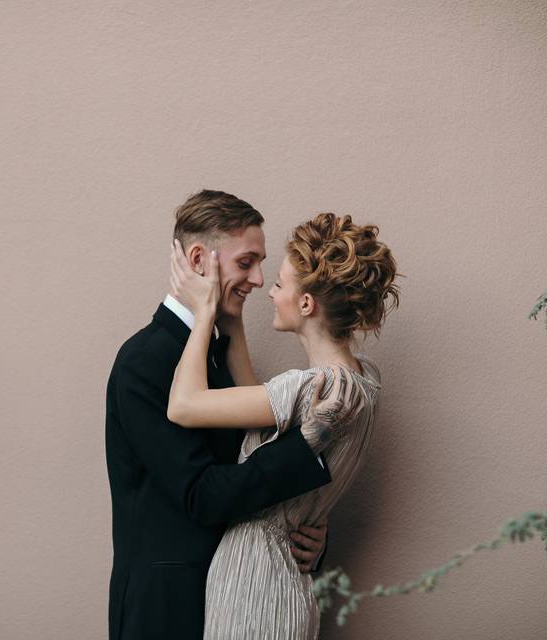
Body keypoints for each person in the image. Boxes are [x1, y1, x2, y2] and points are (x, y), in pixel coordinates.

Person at [105, 191, 356, 640]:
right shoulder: (143, 361)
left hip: (238, 603)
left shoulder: (219, 355)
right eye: (246, 262)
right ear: (199, 258)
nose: (259, 279)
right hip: (167, 611)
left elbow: (252, 464)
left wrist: (307, 534)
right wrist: (308, 449)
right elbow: (202, 494)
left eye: (261, 264)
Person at [167, 212, 399, 639]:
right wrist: (231, 318)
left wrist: (204, 313)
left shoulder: (309, 388)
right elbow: (264, 411)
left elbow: (183, 406)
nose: (268, 291)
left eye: (277, 283)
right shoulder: (365, 380)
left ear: (306, 303)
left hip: (251, 587)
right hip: (288, 582)